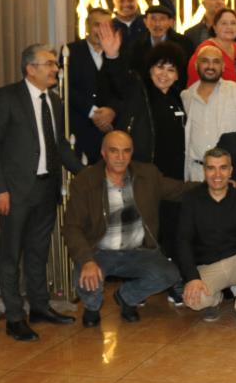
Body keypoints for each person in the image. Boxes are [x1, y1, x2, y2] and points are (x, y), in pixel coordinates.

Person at [0, 44, 85, 341]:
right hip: (14, 192)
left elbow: (60, 145)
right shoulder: (6, 97)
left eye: (55, 64)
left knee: (39, 252)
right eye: (50, 64)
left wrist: (85, 173)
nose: (56, 69)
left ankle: (39, 306)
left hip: (46, 189)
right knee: (10, 255)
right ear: (30, 69)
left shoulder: (54, 100)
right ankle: (15, 317)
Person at [62, 131, 188, 327]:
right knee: (85, 275)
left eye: (126, 151)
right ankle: (92, 307)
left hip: (139, 252)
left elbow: (180, 190)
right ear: (103, 153)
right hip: (100, 252)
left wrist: (216, 184)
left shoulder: (147, 175)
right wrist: (87, 260)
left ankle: (127, 297)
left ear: (132, 153)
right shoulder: (85, 181)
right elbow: (72, 227)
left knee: (168, 274)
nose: (120, 157)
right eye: (114, 151)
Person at [94, 23, 188, 263]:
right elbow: (119, 79)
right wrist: (112, 55)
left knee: (172, 230)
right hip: (145, 173)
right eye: (159, 67)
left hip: (175, 176)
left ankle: (170, 276)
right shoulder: (139, 90)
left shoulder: (180, 98)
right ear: (150, 69)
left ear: (178, 75)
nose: (164, 74)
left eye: (171, 69)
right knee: (144, 232)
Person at [176, 148, 236, 330]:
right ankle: (214, 299)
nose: (217, 174)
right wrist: (192, 278)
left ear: (231, 171)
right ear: (204, 171)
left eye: (223, 168)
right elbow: (183, 241)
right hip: (209, 265)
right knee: (193, 301)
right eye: (211, 168)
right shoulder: (191, 199)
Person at [182, 45, 236, 181]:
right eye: (205, 61)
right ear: (196, 65)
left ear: (223, 66)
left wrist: (232, 151)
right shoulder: (186, 96)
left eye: (216, 61)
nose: (210, 66)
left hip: (231, 174)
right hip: (196, 174)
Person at [64, 7, 114, 164]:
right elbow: (66, 88)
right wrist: (93, 113)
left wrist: (111, 111)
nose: (101, 30)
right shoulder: (70, 51)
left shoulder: (118, 53)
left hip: (110, 130)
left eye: (106, 26)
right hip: (80, 129)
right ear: (87, 26)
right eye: (97, 25)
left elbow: (123, 90)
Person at [125, 4, 193, 78]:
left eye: (162, 19)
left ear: (171, 22)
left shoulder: (184, 44)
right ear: (145, 22)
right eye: (153, 19)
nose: (157, 24)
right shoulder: (136, 45)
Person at [186, 7, 236, 86]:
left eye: (233, 23)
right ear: (214, 27)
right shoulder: (205, 50)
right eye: (224, 23)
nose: (229, 27)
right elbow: (196, 82)